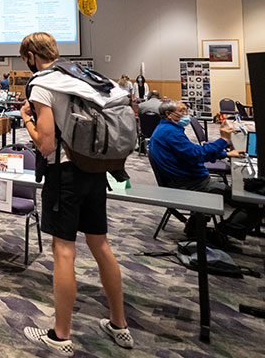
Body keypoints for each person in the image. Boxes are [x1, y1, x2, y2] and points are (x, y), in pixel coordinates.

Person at [18, 32, 133, 353]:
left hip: (64, 174)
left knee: (64, 251)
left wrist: (27, 119)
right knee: (101, 246)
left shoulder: (43, 83)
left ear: (30, 55)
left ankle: (61, 334)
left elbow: (45, 143)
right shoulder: (84, 78)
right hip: (96, 168)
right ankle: (119, 324)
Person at [148, 100, 261, 238]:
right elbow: (198, 155)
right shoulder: (170, 133)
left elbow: (192, 152)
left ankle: (196, 227)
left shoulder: (167, 129)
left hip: (186, 180)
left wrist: (225, 153)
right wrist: (224, 140)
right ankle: (224, 231)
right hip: (191, 184)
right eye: (182, 111)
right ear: (168, 114)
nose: (186, 114)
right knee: (253, 201)